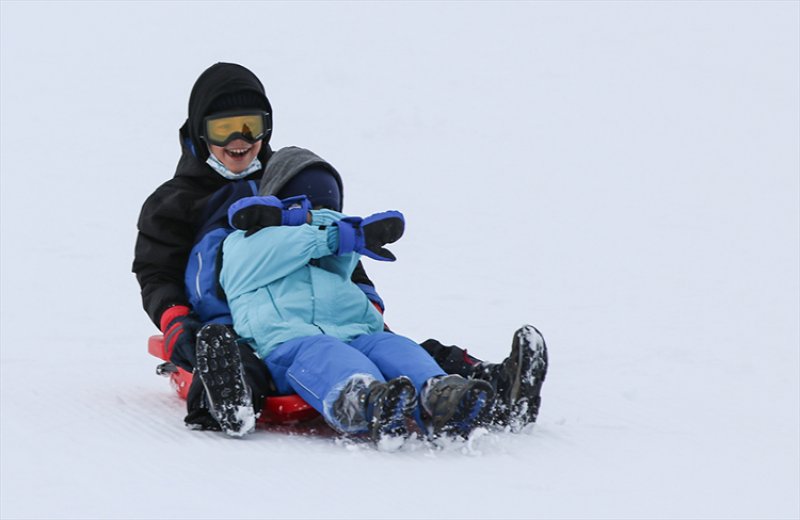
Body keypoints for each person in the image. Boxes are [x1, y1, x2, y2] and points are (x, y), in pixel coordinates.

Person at [131, 62, 548, 434]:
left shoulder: (289, 178)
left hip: (316, 311)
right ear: (199, 131)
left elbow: (337, 243)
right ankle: (229, 398)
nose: (240, 140)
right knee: (236, 356)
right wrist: (176, 322)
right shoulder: (177, 201)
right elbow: (157, 271)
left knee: (397, 347)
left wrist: (364, 300)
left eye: (251, 126)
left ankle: (488, 384)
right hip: (229, 320)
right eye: (224, 129)